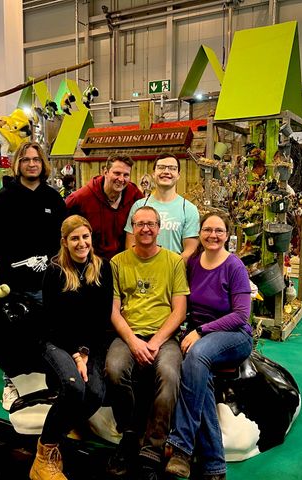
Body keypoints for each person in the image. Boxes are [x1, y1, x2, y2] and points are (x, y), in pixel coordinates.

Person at [164, 212, 253, 480]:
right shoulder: (193, 263)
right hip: (199, 334)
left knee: (197, 355)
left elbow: (241, 315)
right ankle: (214, 465)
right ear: (200, 233)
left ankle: (181, 446)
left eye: (219, 231)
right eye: (207, 230)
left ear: (227, 234)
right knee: (201, 380)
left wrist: (201, 331)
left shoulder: (234, 266)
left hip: (233, 335)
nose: (212, 235)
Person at [106, 206, 190, 480]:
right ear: (132, 228)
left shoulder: (174, 262)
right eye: (140, 224)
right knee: (114, 370)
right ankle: (130, 434)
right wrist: (133, 342)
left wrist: (155, 342)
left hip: (163, 337)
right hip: (128, 335)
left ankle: (154, 446)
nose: (145, 229)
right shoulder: (117, 263)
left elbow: (179, 311)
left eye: (151, 224)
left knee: (169, 374)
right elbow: (113, 310)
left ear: (159, 228)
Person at [30, 215, 113, 480]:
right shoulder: (55, 270)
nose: (81, 243)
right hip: (56, 341)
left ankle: (60, 431)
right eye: (74, 238)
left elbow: (102, 317)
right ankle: (44, 456)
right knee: (74, 387)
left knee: (95, 393)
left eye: (85, 237)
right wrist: (76, 355)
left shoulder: (103, 267)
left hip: (90, 343)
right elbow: (53, 321)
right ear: (65, 242)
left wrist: (85, 352)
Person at [0, 141, 66, 411]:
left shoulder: (53, 199)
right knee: (13, 333)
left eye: (36, 159)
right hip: (15, 283)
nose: (32, 164)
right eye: (26, 159)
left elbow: (62, 239)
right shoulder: (3, 199)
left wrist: (50, 261)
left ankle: (46, 383)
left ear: (43, 164)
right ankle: (11, 381)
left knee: (46, 333)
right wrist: (24, 260)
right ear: (17, 164)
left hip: (48, 283)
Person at [65, 154, 144, 259]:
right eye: (117, 173)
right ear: (105, 172)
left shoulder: (135, 196)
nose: (121, 179)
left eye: (126, 175)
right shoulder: (80, 199)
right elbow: (63, 231)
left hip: (123, 263)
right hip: (92, 263)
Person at [125, 152, 200, 262]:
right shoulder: (139, 206)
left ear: (178, 175)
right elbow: (130, 244)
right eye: (161, 167)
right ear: (153, 174)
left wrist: (168, 267)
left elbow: (190, 250)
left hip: (174, 270)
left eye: (172, 168)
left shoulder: (189, 209)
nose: (166, 172)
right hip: (141, 268)